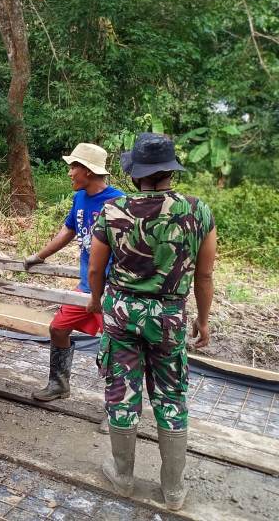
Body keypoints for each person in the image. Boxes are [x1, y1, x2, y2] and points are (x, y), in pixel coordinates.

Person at [87, 133, 216, 511]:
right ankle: (173, 490)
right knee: (171, 395)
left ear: (136, 173)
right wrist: (203, 322)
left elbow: (96, 266)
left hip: (122, 314)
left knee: (122, 391)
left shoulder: (113, 211)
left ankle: (123, 477)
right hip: (171, 317)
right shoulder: (198, 211)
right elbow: (204, 276)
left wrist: (97, 301)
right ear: (169, 170)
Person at [24, 143, 124, 401]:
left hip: (113, 290)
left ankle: (117, 406)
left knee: (116, 346)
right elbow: (68, 230)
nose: (69, 173)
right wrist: (39, 256)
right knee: (58, 329)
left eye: (73, 167)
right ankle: (59, 384)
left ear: (88, 171)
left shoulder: (118, 202)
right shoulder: (79, 198)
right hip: (86, 286)